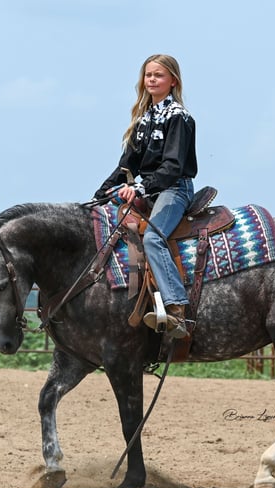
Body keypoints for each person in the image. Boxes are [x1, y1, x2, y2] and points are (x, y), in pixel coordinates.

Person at [94, 54, 198, 339]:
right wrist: (101, 193)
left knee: (153, 238)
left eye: (159, 75)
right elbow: (127, 166)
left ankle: (177, 309)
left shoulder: (178, 117)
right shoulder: (144, 120)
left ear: (172, 81)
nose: (152, 79)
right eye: (148, 75)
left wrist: (139, 188)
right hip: (151, 188)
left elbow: (173, 167)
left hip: (173, 189)